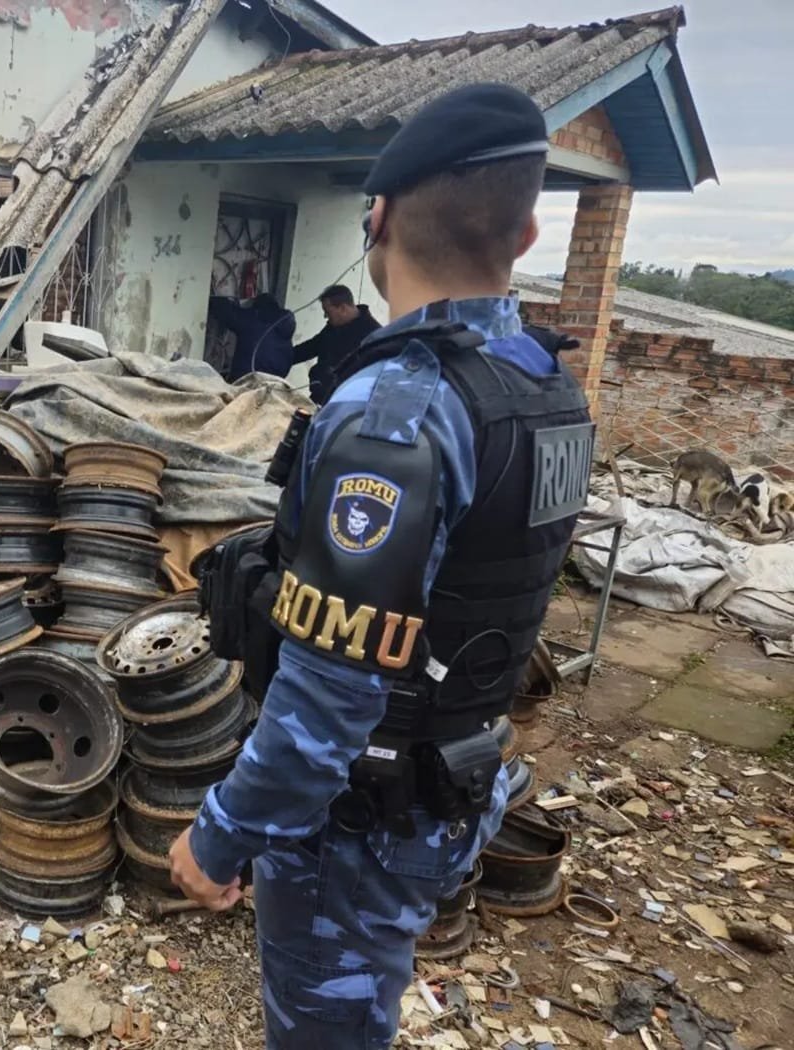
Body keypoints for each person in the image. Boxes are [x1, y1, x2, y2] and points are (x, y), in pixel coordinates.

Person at [175, 82, 595, 1049]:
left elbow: (332, 688)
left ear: (379, 217)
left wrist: (225, 833)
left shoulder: (394, 410)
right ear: (526, 236)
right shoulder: (545, 383)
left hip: (363, 813)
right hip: (453, 783)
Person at [292, 285, 381, 403]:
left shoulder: (373, 336)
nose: (325, 317)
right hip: (318, 397)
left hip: (344, 403)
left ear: (343, 308)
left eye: (327, 312)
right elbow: (313, 346)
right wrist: (282, 357)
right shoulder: (334, 326)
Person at [208, 292, 297, 380]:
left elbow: (227, 312)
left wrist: (209, 296)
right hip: (274, 385)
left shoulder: (254, 319)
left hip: (247, 381)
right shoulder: (284, 328)